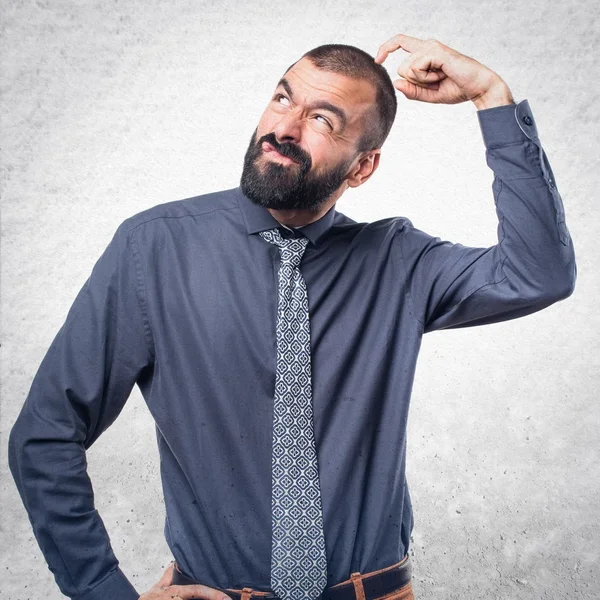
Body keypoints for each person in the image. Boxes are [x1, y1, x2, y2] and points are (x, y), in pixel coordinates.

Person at [8, 33, 576, 600]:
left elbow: (538, 274)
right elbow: (47, 432)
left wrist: (491, 98)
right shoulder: (152, 250)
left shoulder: (400, 262)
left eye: (324, 121)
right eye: (283, 99)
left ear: (363, 167)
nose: (285, 128)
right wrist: (104, 592)